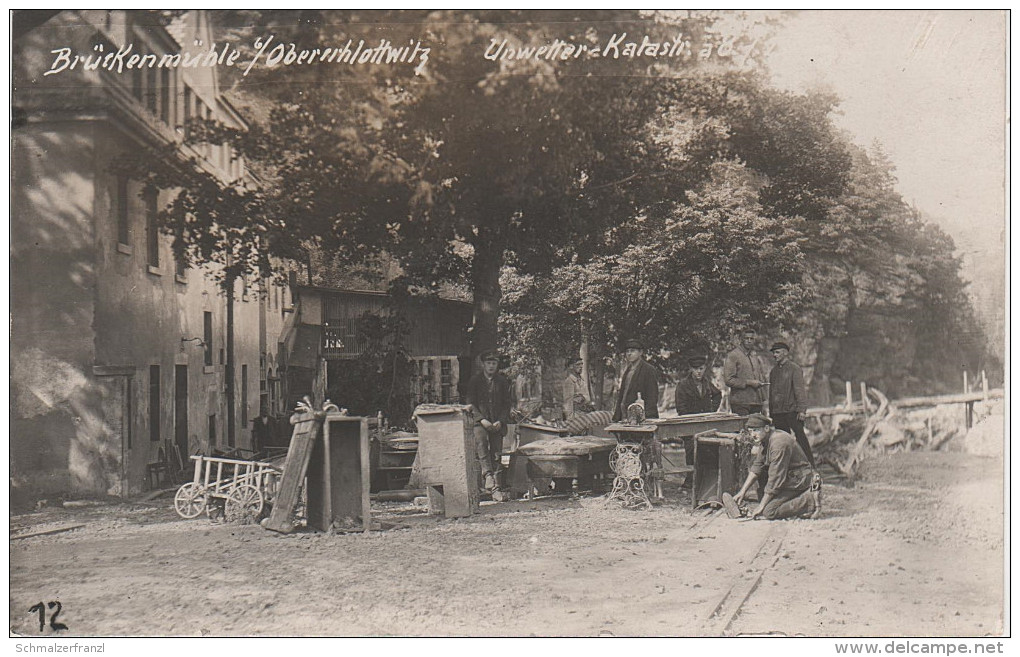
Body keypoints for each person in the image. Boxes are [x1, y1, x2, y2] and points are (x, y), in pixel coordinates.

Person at [732, 414, 821, 520]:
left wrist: (761, 507)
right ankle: (799, 496)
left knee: (769, 511)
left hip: (800, 479)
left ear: (766, 428)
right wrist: (742, 491)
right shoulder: (767, 439)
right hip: (792, 478)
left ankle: (809, 500)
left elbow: (776, 479)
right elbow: (757, 467)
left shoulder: (779, 443)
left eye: (756, 430)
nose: (753, 435)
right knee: (764, 500)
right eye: (750, 431)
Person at [466, 349, 514, 492]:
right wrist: (482, 420)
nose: (491, 366)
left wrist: (501, 420)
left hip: (497, 422)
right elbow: (470, 403)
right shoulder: (475, 381)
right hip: (480, 422)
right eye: (488, 363)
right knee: (481, 442)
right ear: (483, 365)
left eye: (494, 363)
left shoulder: (502, 381)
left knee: (496, 451)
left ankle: (497, 486)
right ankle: (487, 474)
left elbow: (507, 404)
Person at [768, 342, 815, 466]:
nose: (774, 355)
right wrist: (772, 412)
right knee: (782, 442)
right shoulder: (773, 372)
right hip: (778, 414)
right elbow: (771, 394)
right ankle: (788, 469)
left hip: (792, 412)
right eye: (773, 352)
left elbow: (799, 390)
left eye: (777, 352)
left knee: (801, 439)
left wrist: (802, 410)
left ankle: (810, 466)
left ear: (785, 353)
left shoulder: (795, 368)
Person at [724, 328, 769, 415]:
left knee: (756, 428)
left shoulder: (754, 356)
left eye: (751, 339)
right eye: (746, 338)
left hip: (756, 403)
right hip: (740, 403)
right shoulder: (733, 355)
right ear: (741, 339)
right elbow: (728, 380)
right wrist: (749, 382)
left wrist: (763, 400)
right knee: (743, 428)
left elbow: (760, 377)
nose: (749, 341)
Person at [613, 339, 659, 422]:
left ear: (640, 352)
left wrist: (647, 417)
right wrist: (617, 416)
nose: (629, 354)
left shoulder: (648, 370)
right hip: (626, 415)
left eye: (633, 351)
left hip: (641, 416)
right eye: (627, 351)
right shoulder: (628, 370)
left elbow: (652, 396)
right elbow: (623, 395)